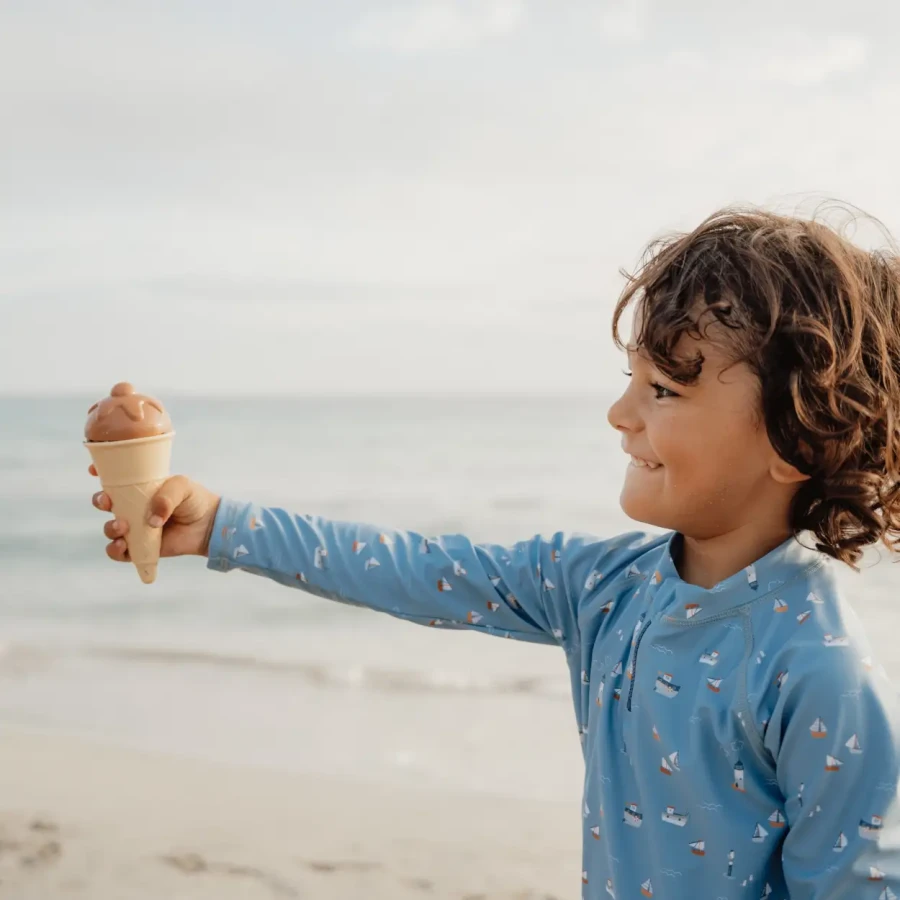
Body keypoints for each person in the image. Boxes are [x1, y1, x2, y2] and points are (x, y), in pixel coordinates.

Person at [90, 206, 900, 899]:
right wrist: (223, 526)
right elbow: (418, 570)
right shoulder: (605, 588)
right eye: (632, 378)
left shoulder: (817, 667)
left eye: (663, 389)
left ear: (799, 433)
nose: (620, 413)